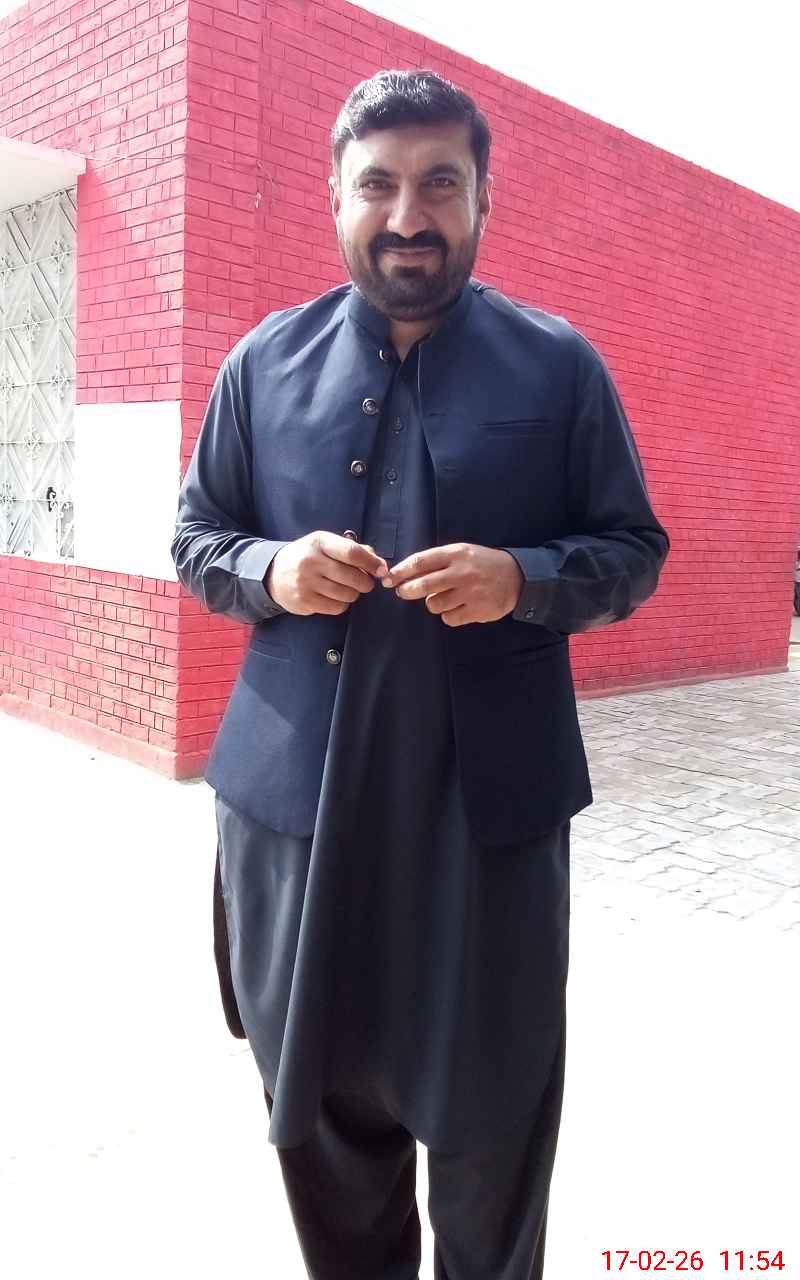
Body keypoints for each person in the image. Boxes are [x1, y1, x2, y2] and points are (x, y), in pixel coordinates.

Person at [172, 68, 669, 1280]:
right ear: (334, 198)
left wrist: (523, 577)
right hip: (296, 826)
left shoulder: (557, 365)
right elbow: (196, 539)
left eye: (440, 183)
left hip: (484, 834)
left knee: (493, 1134)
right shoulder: (260, 363)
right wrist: (271, 567)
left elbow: (631, 551)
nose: (409, 215)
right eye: (378, 185)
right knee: (327, 1137)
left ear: (482, 198)